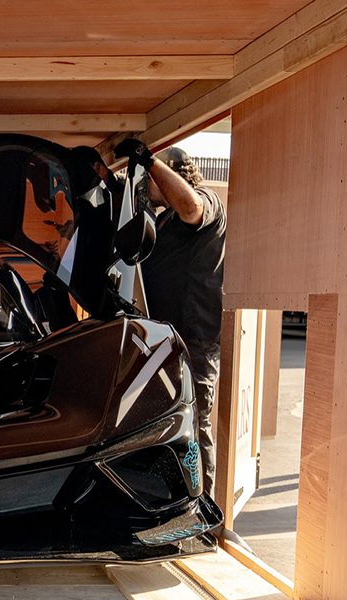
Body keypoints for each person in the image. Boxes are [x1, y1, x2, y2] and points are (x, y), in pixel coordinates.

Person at [113, 138, 225, 499]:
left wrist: (149, 160)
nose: (148, 186)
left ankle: (202, 513)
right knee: (164, 425)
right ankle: (173, 503)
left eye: (152, 178)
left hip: (194, 344)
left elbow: (190, 204)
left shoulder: (207, 207)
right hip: (164, 343)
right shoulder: (164, 223)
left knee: (195, 424)